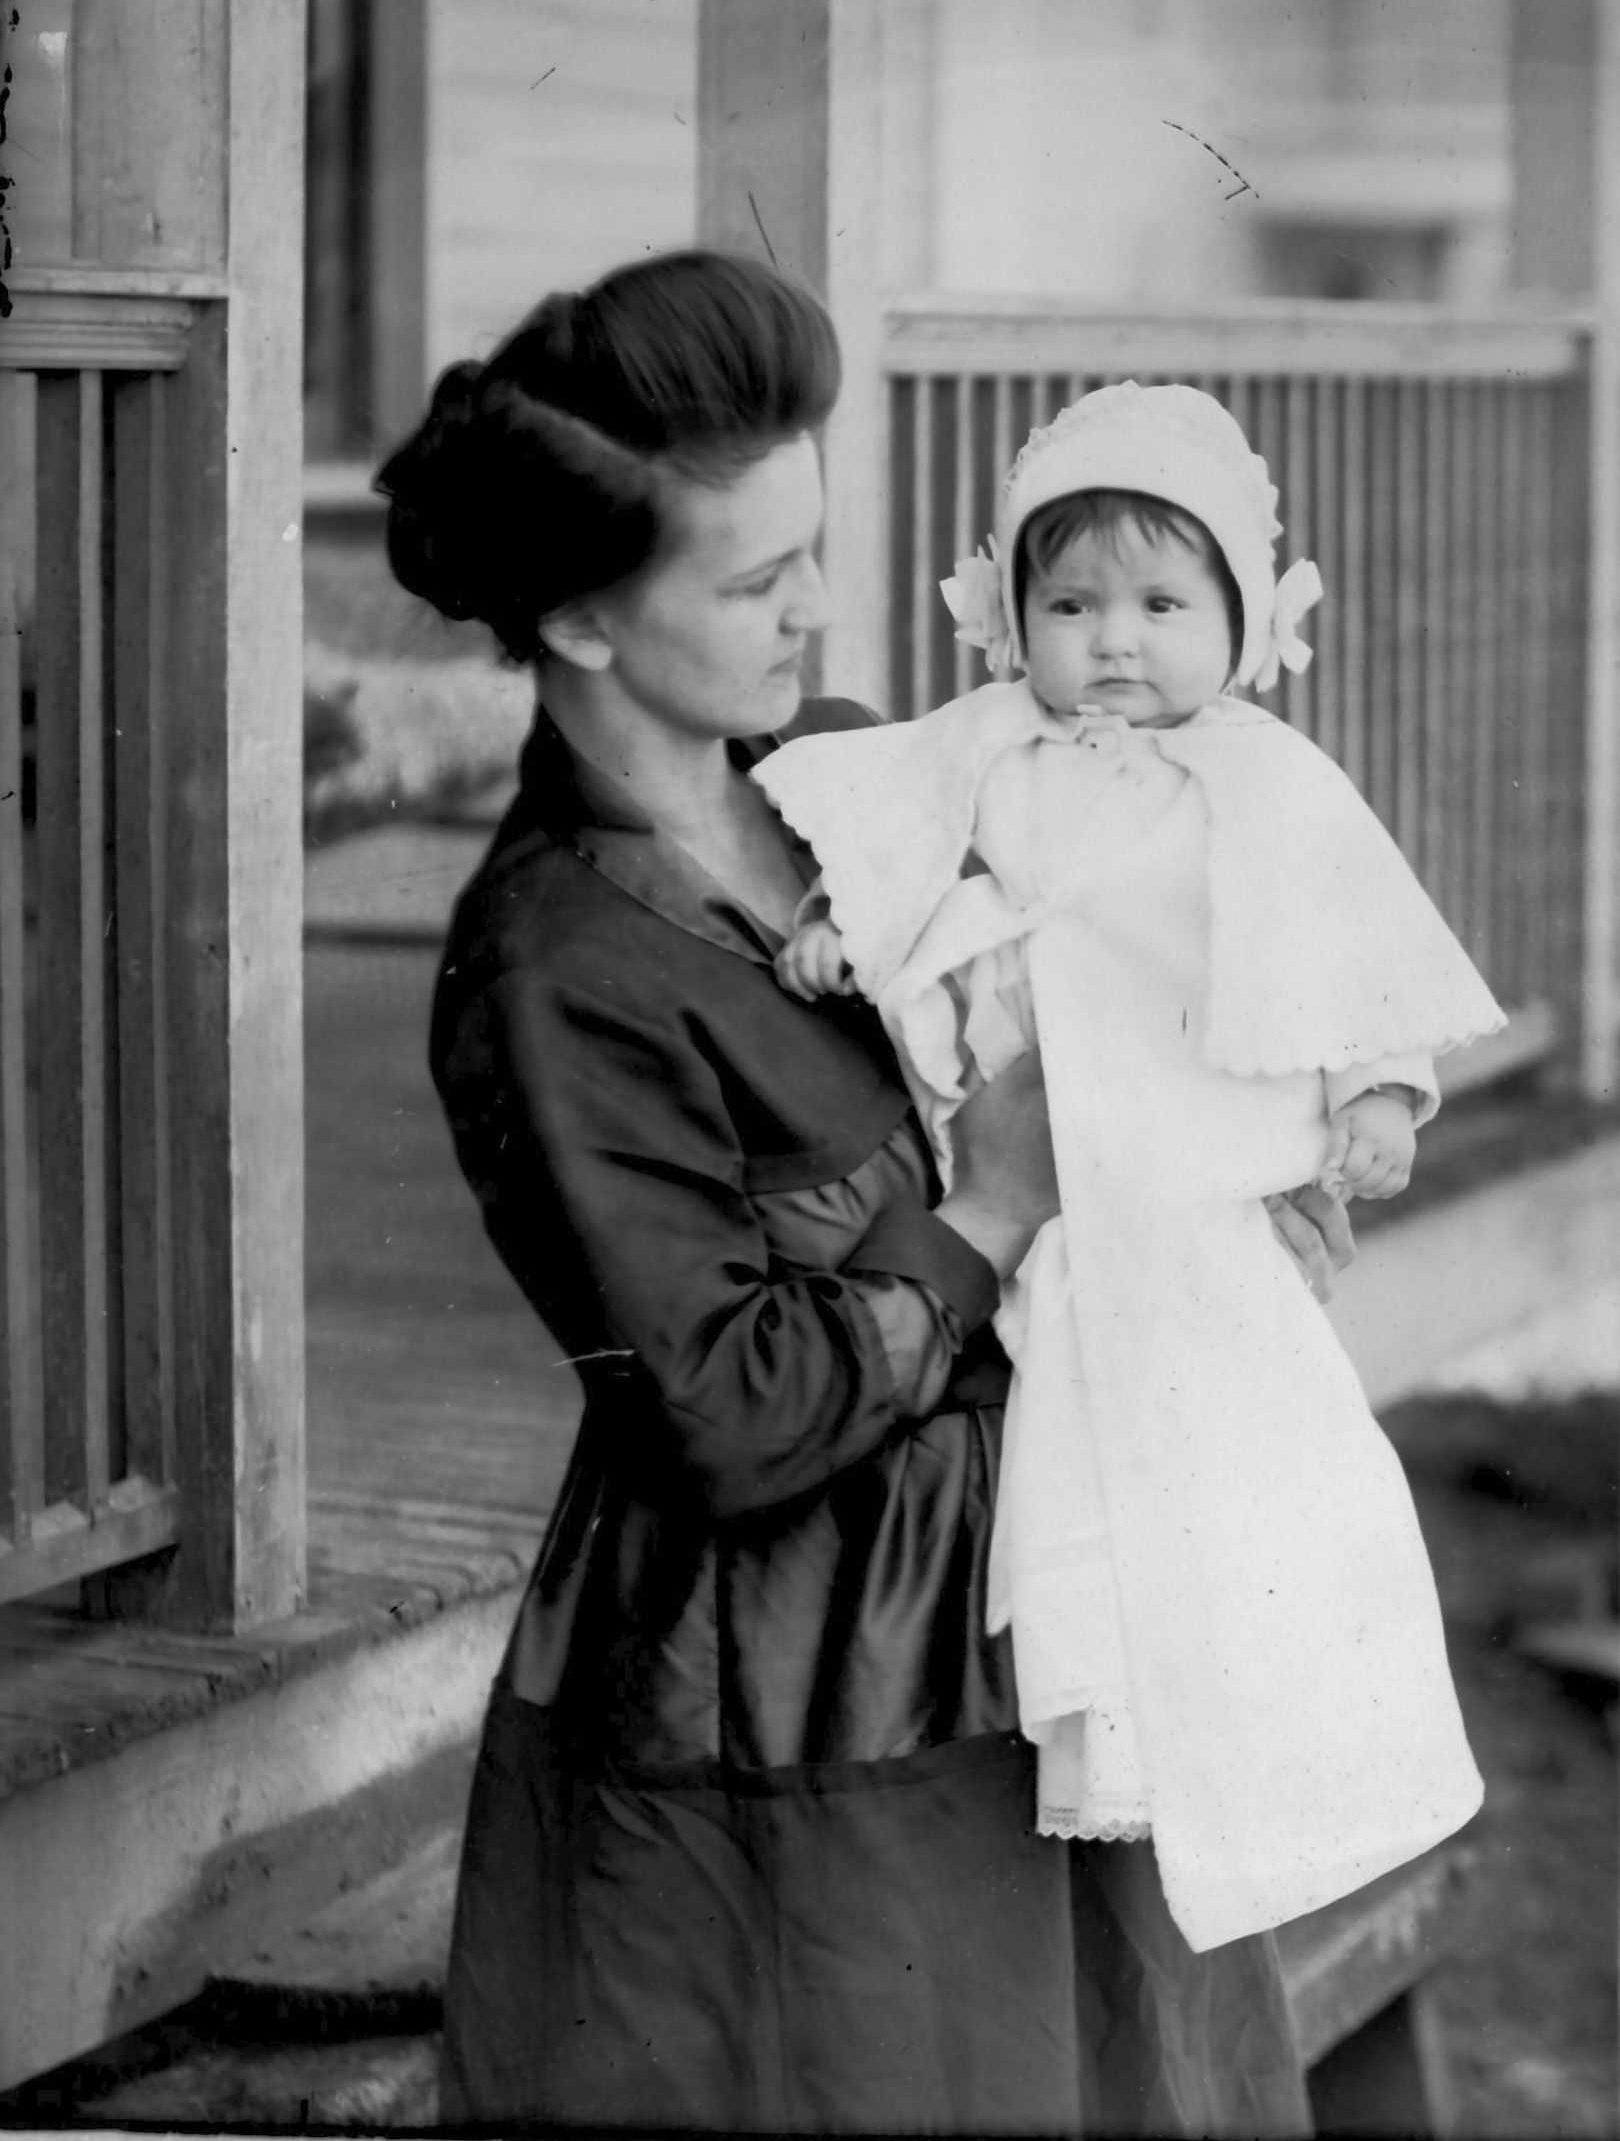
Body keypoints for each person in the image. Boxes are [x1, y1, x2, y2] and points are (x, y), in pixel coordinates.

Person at [376, 258, 1347, 2135]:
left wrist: (1232, 1169)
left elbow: (1107, 967)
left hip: (1046, 1615)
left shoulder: (847, 769)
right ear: (580, 618)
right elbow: (723, 1414)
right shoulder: (556, 968)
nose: (818, 606)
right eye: (757, 580)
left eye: (812, 547)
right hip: (803, 1703)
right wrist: (992, 1209)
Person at [753, 379, 1501, 1958]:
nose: (1113, 641)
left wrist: (1377, 1090)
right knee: (1082, 1445)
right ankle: (1117, 1721)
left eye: (1163, 605)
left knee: (1260, 1449)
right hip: (1044, 1145)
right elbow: (896, 831)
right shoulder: (992, 742)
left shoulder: (1267, 776)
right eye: (1071, 603)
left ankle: (1299, 1749)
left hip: (1193, 1167)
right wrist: (844, 919)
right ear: (1010, 615)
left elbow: (1351, 940)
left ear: (1244, 620)